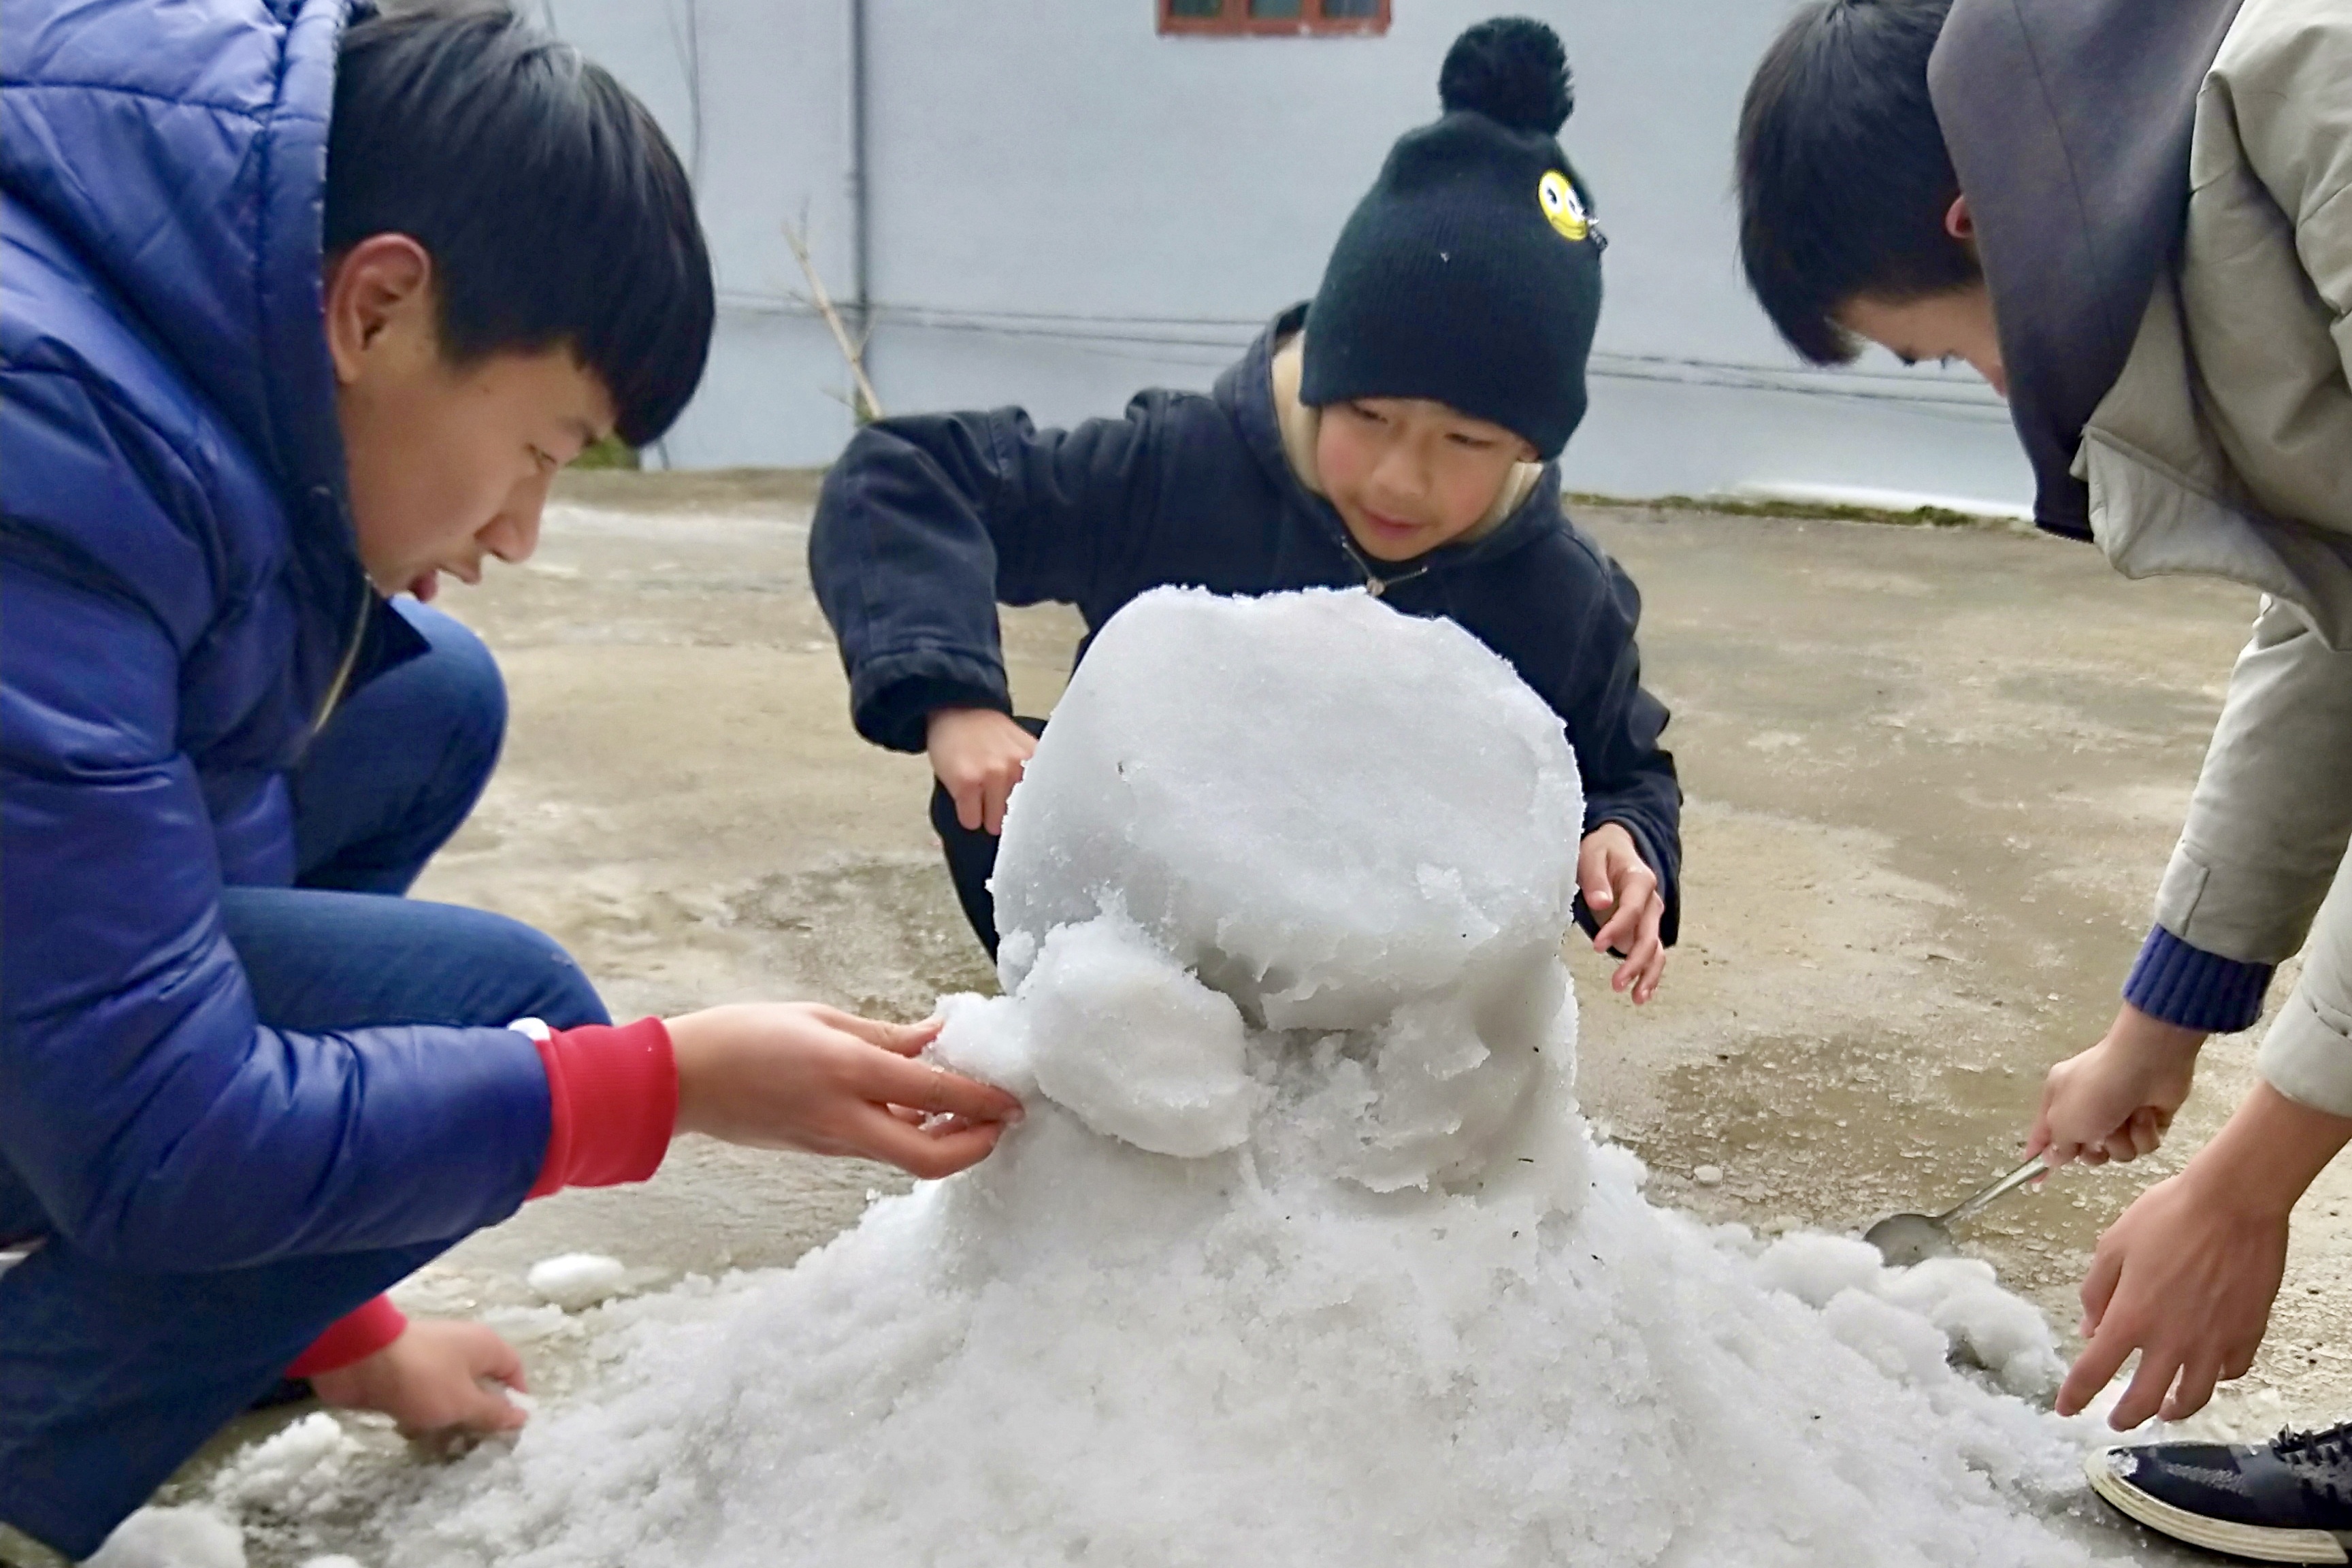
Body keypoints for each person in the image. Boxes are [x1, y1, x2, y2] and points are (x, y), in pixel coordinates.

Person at [0, 3, 1021, 1557]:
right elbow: (157, 1126)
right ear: (381, 306)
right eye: (545, 449)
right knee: (499, 1015)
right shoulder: (50, 443)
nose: (527, 530)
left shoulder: (171, 300)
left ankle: (203, 1319)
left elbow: (142, 889)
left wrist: (328, 1319)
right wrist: (661, 1085)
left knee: (421, 700)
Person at [1737, 0, 2352, 1556]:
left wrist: (2251, 1179)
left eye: (1939, 351)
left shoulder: (2319, 93)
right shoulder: (2192, 217)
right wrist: (2166, 1018)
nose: (1989, 384)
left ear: (1978, 219)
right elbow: (2336, 617)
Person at [810, 17, 1681, 1004]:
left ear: (1528, 446)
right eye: (1370, 414)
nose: (1402, 477)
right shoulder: (1182, 470)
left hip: (1384, 974)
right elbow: (907, 475)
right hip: (1154, 937)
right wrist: (953, 702)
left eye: (1466, 443)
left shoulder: (1561, 596)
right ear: (1320, 383)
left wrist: (1622, 840)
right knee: (999, 802)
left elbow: (1623, 766)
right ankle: (1107, 1067)